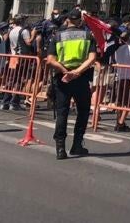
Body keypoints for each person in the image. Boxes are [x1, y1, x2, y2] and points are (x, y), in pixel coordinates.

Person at [44, 9, 97, 159]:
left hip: (63, 78)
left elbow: (50, 60)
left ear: (67, 20)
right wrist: (78, 71)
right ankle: (77, 144)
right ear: (80, 20)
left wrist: (66, 71)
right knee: (83, 111)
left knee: (62, 112)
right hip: (81, 78)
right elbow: (92, 58)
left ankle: (60, 148)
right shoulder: (88, 36)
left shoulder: (57, 36)